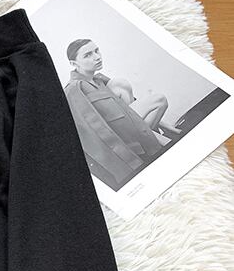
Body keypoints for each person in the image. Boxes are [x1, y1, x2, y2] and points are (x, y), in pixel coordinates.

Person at [63, 38, 173, 190]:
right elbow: (95, 133)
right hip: (125, 145)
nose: (97, 57)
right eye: (87, 55)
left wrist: (166, 128)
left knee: (122, 84)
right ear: (74, 63)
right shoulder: (74, 89)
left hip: (137, 133)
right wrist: (131, 163)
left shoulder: (99, 80)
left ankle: (156, 137)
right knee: (157, 100)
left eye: (96, 51)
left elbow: (129, 108)